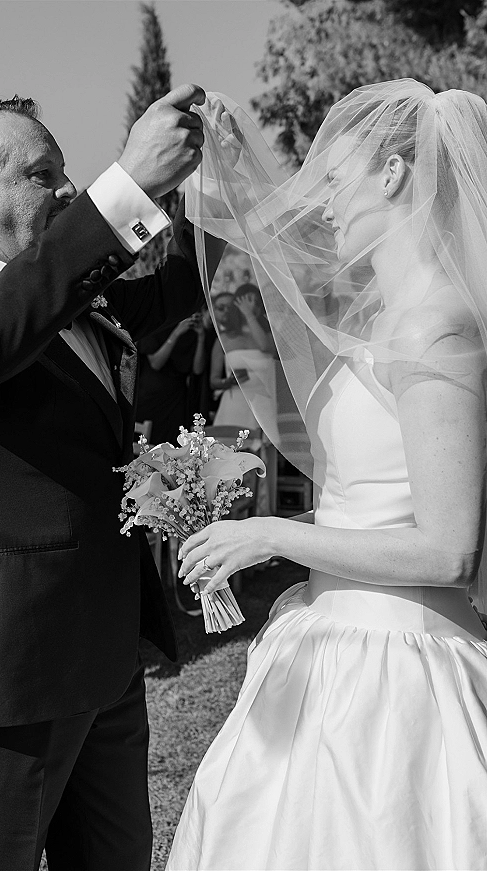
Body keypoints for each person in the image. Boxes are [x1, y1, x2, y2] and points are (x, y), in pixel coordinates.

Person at [0, 84, 230, 871]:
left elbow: (171, 288)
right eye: (41, 173)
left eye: (67, 171)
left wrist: (206, 188)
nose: (67, 187)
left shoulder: (78, 290)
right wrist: (127, 184)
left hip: (106, 658)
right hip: (7, 668)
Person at [168, 81, 487, 869]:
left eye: (336, 180)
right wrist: (253, 536)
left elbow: (450, 550)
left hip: (404, 670)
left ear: (394, 174)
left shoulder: (438, 328)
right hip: (327, 641)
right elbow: (370, 506)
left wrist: (272, 535)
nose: (323, 203)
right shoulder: (381, 317)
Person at [210, 283, 277, 441]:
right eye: (247, 301)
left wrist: (249, 315)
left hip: (263, 405)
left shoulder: (268, 335)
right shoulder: (223, 339)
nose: (251, 305)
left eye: (255, 302)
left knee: (262, 450)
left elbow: (265, 347)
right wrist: (227, 381)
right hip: (234, 404)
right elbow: (213, 381)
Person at [136, 311, 207, 444]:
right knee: (148, 443)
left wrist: (201, 337)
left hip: (176, 398)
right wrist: (176, 333)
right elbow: (155, 363)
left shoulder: (192, 333)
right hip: (151, 393)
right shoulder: (157, 324)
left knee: (173, 443)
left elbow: (198, 369)